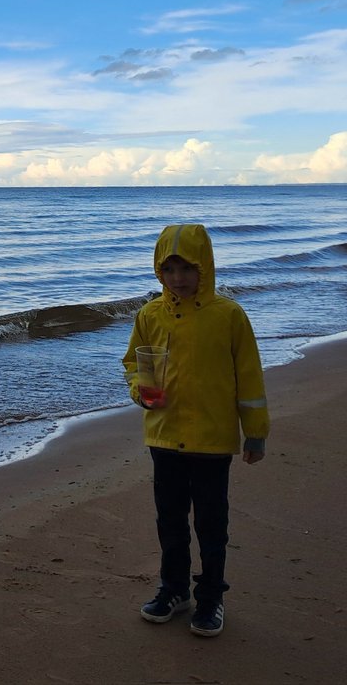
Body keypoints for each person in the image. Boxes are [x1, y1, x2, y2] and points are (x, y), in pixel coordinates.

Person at [122, 223, 269, 637]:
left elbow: (249, 379)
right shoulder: (149, 315)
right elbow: (134, 362)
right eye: (169, 270)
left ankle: (210, 597)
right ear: (158, 272)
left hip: (211, 440)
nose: (178, 278)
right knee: (169, 519)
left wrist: (254, 433)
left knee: (210, 523)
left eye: (186, 268)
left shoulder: (228, 316)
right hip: (164, 436)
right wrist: (140, 390)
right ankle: (173, 589)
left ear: (204, 268)